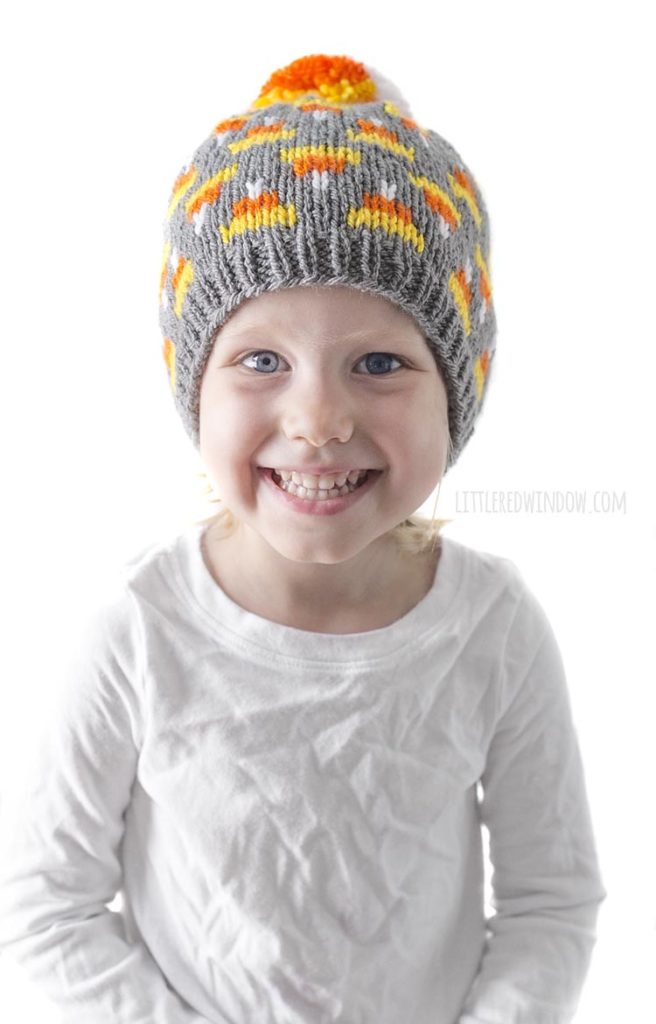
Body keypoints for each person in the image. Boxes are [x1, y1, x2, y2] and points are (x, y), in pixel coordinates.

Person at [0, 53, 606, 1023]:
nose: (317, 418)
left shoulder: (491, 627)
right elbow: (42, 905)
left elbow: (549, 904)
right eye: (259, 360)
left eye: (377, 361)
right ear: (192, 390)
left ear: (455, 394)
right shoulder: (138, 629)